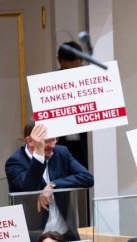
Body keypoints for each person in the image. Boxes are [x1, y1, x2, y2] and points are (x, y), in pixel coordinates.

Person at [5, 121, 94, 236]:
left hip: (65, 234)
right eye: (47, 141)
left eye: (54, 139)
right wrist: (39, 155)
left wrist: (53, 185)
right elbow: (29, 187)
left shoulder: (61, 152)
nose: (52, 145)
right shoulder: (14, 162)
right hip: (36, 236)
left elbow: (87, 178)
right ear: (30, 141)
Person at [55, 41, 90, 169]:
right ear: (59, 61)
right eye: (66, 70)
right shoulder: (49, 84)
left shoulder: (92, 81)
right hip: (60, 144)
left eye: (75, 70)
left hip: (87, 143)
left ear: (81, 60)